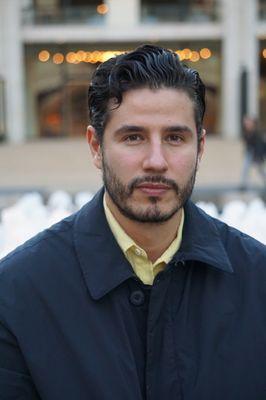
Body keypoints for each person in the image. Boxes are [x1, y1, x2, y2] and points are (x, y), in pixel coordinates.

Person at [0, 45, 266, 400]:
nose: (156, 161)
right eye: (133, 137)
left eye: (174, 137)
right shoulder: (17, 294)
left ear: (200, 148)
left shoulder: (258, 280)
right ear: (96, 147)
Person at [240, 115, 266, 188]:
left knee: (260, 169)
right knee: (245, 167)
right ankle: (243, 184)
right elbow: (247, 144)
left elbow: (259, 146)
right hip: (250, 152)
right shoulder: (246, 132)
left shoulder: (257, 133)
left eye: (248, 123)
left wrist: (258, 156)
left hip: (256, 153)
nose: (247, 124)